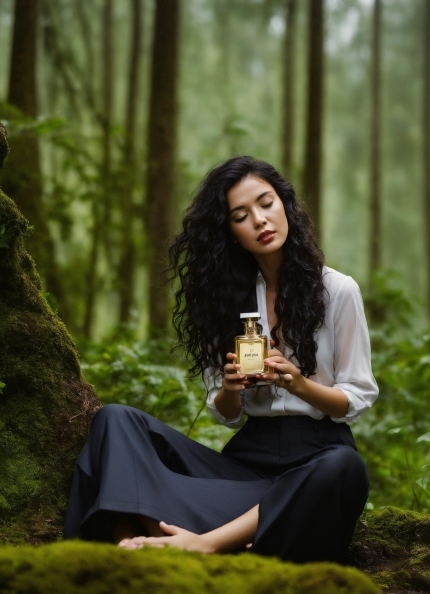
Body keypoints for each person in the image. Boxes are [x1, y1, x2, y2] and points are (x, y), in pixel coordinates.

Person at [64, 156, 378, 564]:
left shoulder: (337, 290)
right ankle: (129, 538)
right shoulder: (227, 299)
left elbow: (355, 397)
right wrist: (230, 389)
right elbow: (227, 413)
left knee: (345, 468)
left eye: (267, 204)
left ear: (285, 205)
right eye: (241, 216)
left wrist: (298, 384)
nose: (260, 221)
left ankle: (205, 543)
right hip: (246, 469)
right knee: (116, 420)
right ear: (229, 232)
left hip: (317, 459)